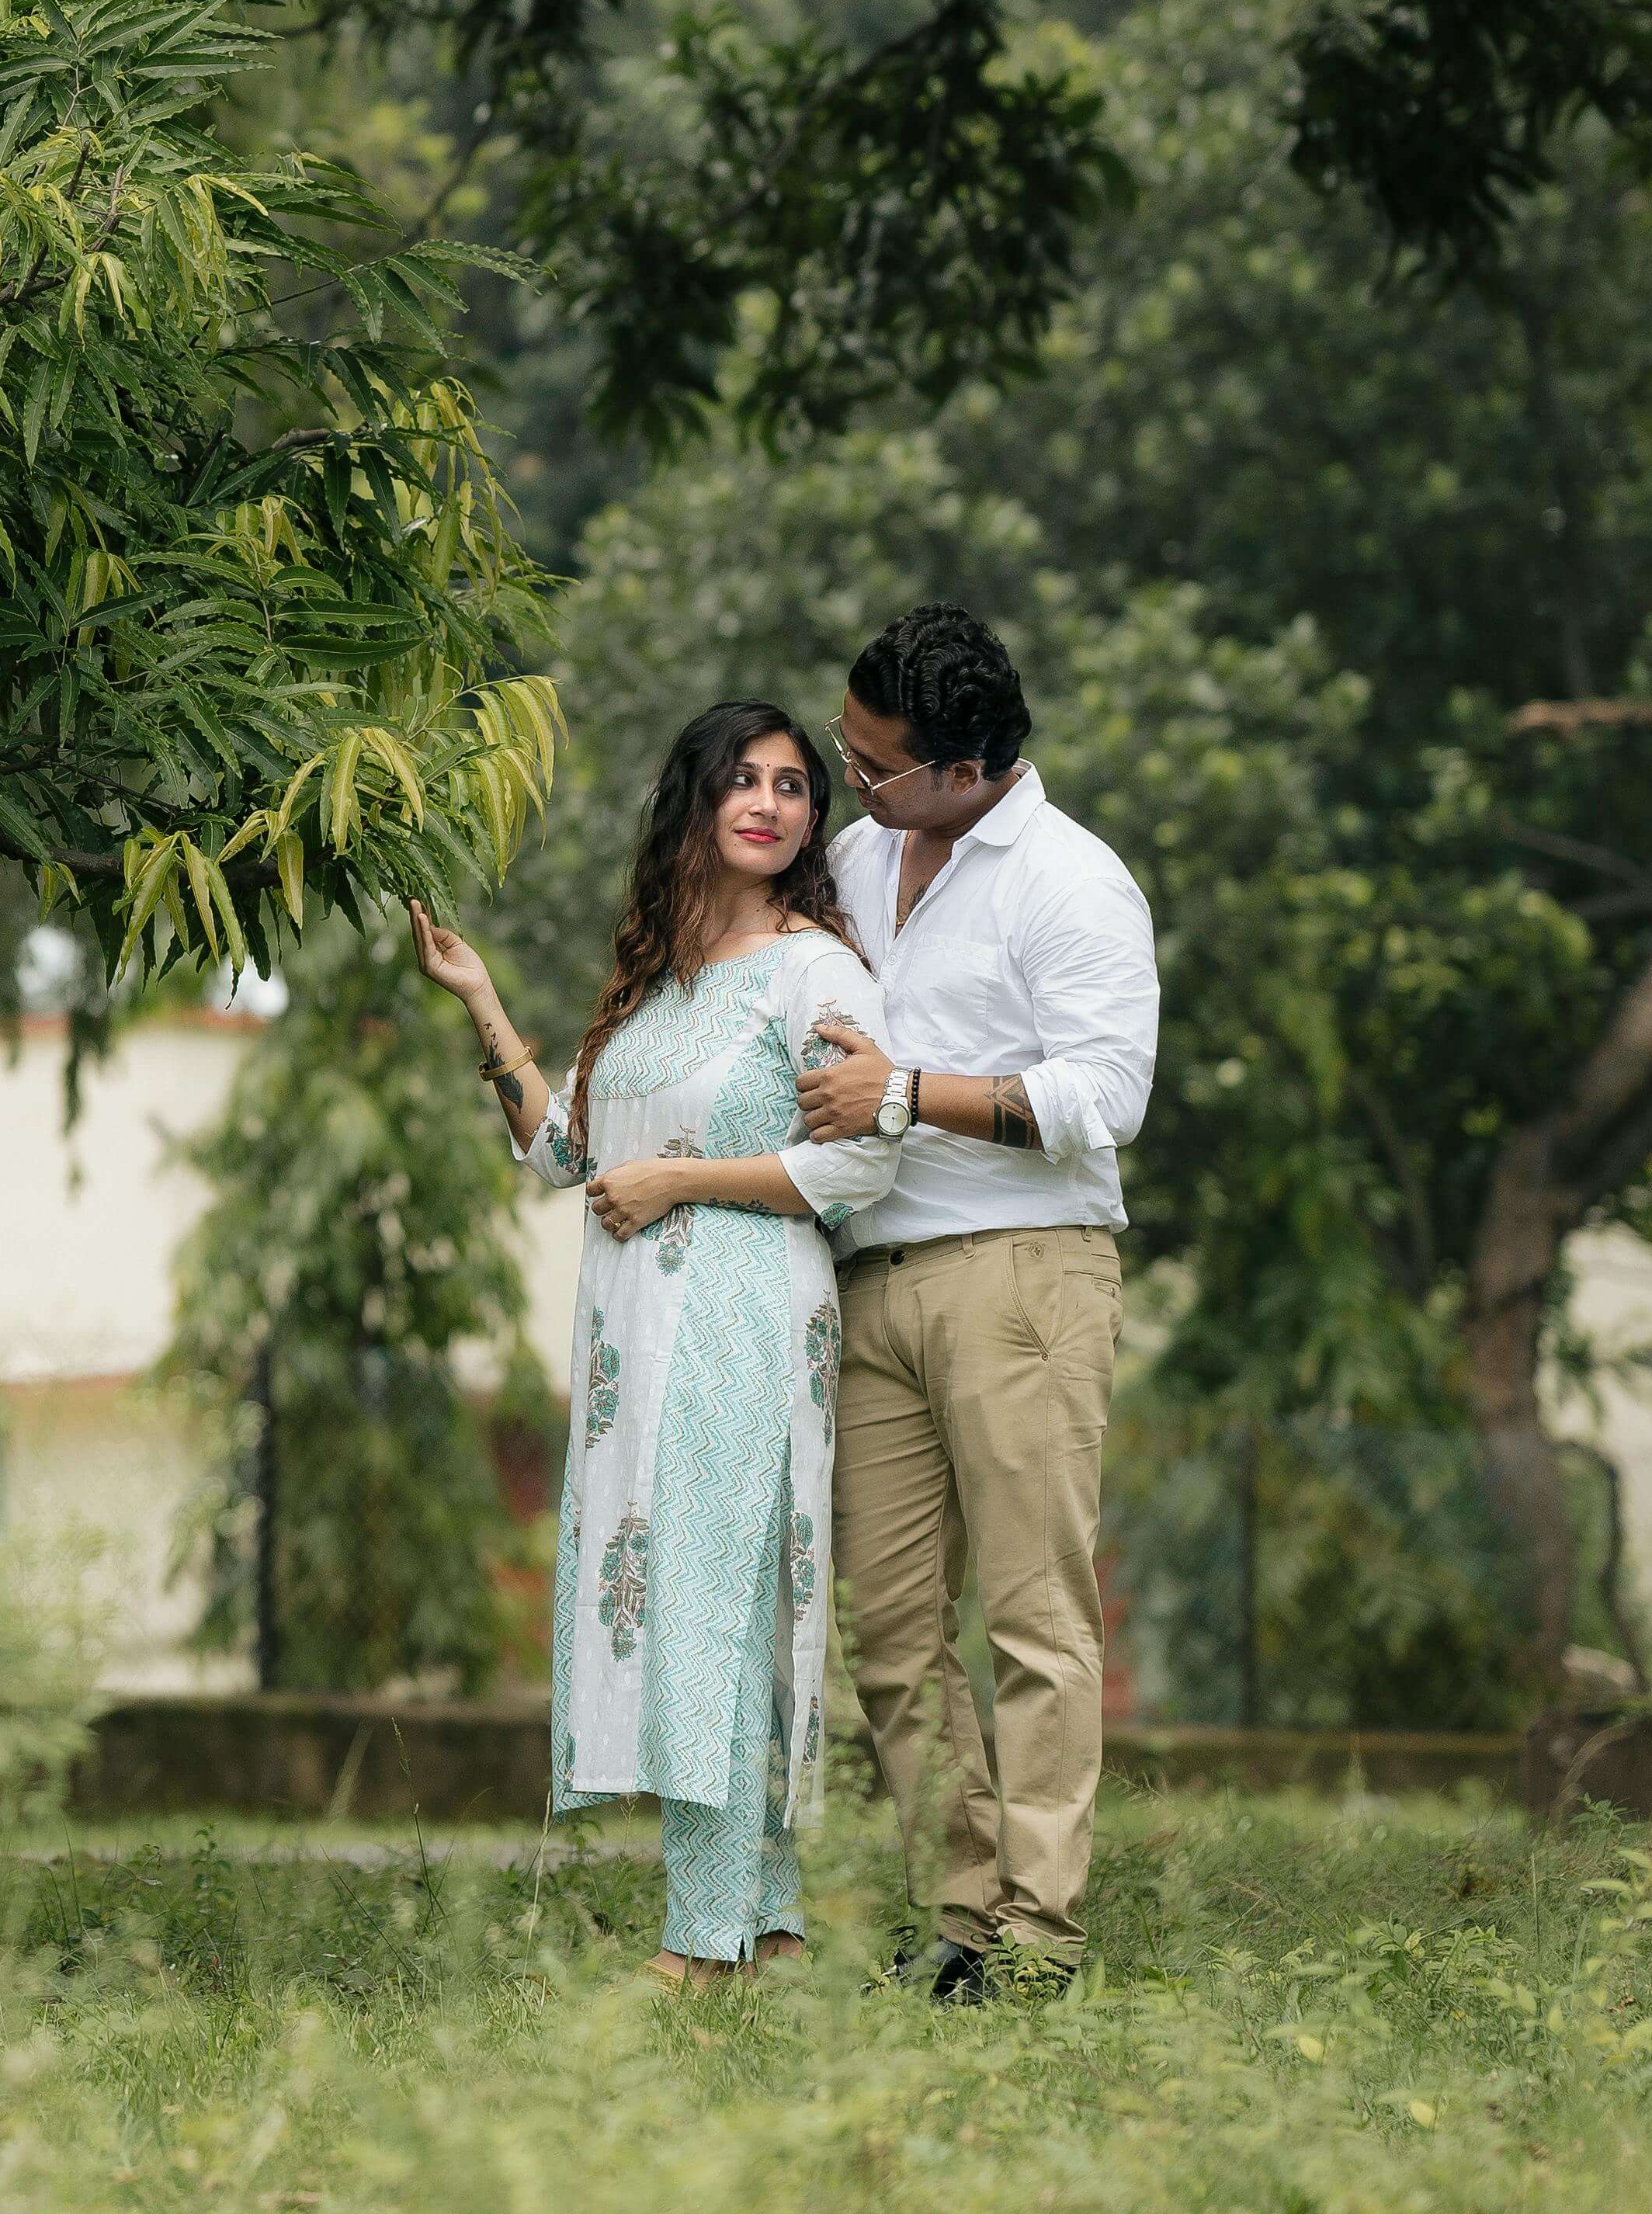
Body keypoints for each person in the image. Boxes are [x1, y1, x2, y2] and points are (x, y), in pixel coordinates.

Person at [408, 698, 899, 1987]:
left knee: (714, 1613)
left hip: (742, 1311)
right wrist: (483, 999)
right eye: (744, 779)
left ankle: (702, 1942)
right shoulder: (655, 987)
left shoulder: (817, 973)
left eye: (796, 786)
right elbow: (566, 1150)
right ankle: (772, 1929)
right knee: (696, 1608)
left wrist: (683, 1186)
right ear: (693, 799)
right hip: (641, 1343)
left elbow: (862, 1160)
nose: (772, 803)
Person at [787, 604, 1160, 2001]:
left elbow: (1103, 1099)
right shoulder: (859, 856)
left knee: (1033, 1621)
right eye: (848, 750)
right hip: (869, 1280)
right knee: (889, 1630)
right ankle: (960, 1916)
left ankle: (1041, 1938)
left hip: (1021, 1276)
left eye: (875, 764)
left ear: (971, 766)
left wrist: (905, 1092)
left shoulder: (1070, 883)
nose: (854, 780)